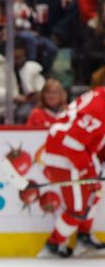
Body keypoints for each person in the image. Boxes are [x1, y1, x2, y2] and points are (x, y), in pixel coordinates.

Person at [37, 87, 105, 257]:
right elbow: (72, 144)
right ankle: (53, 245)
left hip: (82, 151)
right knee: (78, 209)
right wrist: (88, 173)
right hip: (65, 154)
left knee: (94, 194)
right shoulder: (98, 109)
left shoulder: (100, 94)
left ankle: (84, 238)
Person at [0, 38, 45, 122]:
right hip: (0, 111)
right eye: (16, 57)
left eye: (22, 57)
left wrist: (38, 94)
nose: (19, 60)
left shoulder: (29, 67)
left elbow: (42, 86)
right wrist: (13, 97)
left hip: (28, 106)